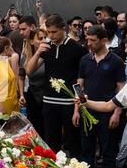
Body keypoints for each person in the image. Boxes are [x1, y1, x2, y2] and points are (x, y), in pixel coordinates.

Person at [25, 14, 88, 158]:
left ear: (63, 29)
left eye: (54, 32)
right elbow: (29, 71)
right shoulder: (47, 48)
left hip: (69, 102)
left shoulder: (77, 49)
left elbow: (82, 79)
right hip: (49, 101)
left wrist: (79, 104)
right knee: (51, 141)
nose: (51, 36)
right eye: (49, 33)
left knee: (73, 142)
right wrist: (38, 52)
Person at [73, 25, 126, 168]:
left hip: (107, 112)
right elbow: (79, 86)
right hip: (87, 112)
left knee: (108, 150)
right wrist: (76, 110)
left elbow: (121, 90)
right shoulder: (85, 60)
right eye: (87, 39)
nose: (89, 43)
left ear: (104, 40)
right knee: (86, 149)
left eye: (93, 40)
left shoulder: (116, 61)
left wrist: (117, 112)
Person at [20, 23, 47, 138]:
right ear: (31, 41)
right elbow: (21, 76)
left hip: (46, 96)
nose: (43, 41)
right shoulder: (25, 57)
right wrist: (21, 95)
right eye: (40, 38)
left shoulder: (47, 56)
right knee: (36, 128)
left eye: (45, 38)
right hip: (33, 96)